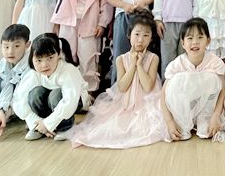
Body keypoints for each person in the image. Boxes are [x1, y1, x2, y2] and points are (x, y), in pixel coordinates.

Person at [70, 10, 166, 148]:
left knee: (147, 128)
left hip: (147, 103)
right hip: (126, 104)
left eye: (146, 35)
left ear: (151, 38)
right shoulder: (121, 59)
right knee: (110, 129)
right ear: (129, 35)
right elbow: (122, 87)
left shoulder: (153, 58)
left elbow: (147, 87)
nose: (140, 39)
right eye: (137, 34)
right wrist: (132, 65)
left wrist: (140, 65)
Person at [162, 18, 225, 142]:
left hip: (207, 110)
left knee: (212, 78)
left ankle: (204, 120)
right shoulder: (176, 65)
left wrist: (216, 116)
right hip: (184, 110)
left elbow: (222, 91)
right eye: (190, 38)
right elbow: (164, 94)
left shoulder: (215, 63)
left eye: (200, 37)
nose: (195, 42)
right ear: (183, 43)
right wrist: (169, 121)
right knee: (177, 80)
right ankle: (182, 123)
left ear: (208, 41)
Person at [12, 33, 86, 141]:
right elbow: (18, 99)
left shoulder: (68, 71)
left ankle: (65, 127)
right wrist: (36, 123)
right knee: (34, 94)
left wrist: (48, 124)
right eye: (39, 60)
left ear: (58, 54)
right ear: (32, 58)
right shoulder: (33, 73)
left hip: (74, 101)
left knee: (55, 95)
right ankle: (41, 127)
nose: (44, 65)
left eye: (50, 58)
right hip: (50, 104)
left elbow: (70, 101)